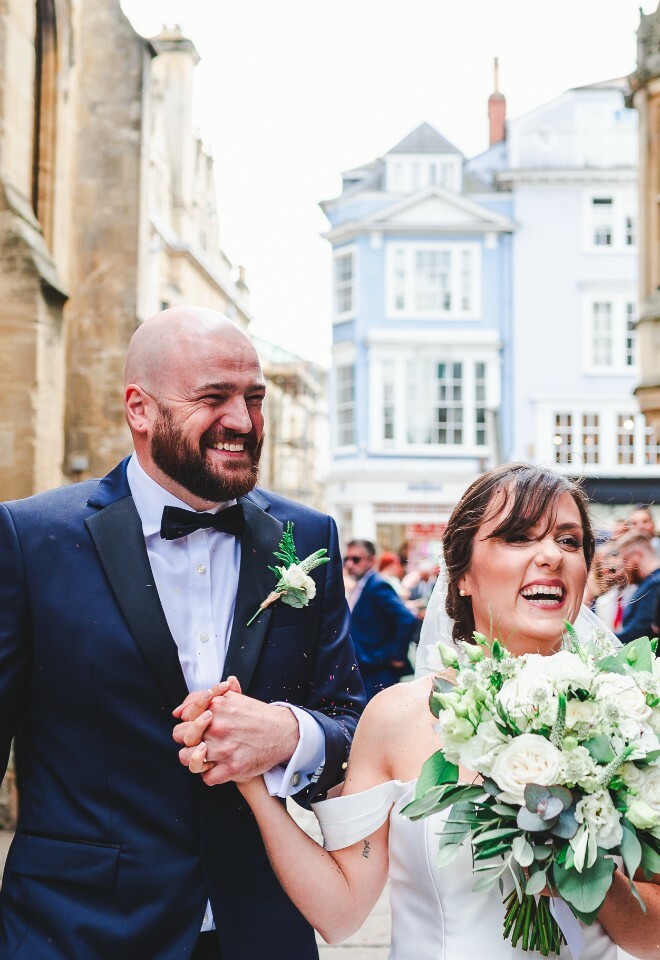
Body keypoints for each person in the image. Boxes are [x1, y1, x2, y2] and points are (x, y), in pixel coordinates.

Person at [0, 307, 365, 960]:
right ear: (139, 409)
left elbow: (351, 725)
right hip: (75, 932)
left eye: (254, 399)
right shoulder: (30, 540)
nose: (244, 422)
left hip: (261, 931)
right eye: (213, 398)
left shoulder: (306, 538)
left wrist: (290, 734)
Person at [183, 464, 659, 959]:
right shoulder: (397, 717)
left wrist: (589, 878)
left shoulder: (632, 712)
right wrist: (254, 785)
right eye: (518, 537)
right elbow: (340, 913)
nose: (550, 557)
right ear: (463, 576)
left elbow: (654, 935)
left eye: (568, 541)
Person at [343, 539, 419, 699]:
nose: (350, 564)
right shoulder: (360, 585)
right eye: (346, 559)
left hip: (378, 668)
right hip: (366, 667)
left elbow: (407, 619)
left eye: (356, 559)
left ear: (371, 561)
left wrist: (396, 655)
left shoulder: (377, 586)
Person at [614, 530, 660, 646]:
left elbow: (639, 633)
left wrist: (604, 639)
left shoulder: (656, 585)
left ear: (636, 556)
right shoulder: (650, 583)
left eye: (624, 561)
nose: (623, 569)